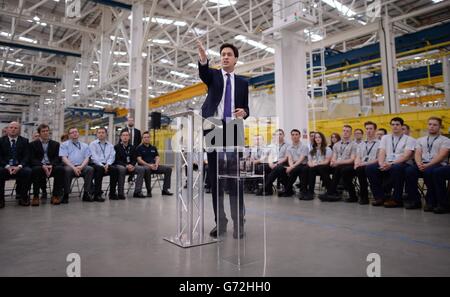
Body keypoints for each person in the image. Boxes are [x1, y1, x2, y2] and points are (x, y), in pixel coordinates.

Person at [197, 40, 249, 239]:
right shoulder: (214, 76)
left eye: (229, 54)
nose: (225, 56)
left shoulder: (243, 83)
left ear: (235, 59)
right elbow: (204, 73)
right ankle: (221, 221)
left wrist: (244, 112)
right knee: (215, 178)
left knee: (235, 178)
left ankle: (239, 221)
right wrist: (203, 58)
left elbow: (246, 108)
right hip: (214, 127)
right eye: (222, 54)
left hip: (234, 128)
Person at [366, 117, 416, 208]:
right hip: (386, 162)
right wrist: (381, 163)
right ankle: (380, 197)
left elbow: (406, 156)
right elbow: (382, 152)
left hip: (403, 163)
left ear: (402, 126)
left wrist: (391, 164)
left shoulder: (409, 139)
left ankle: (396, 199)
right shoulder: (385, 138)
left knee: (396, 168)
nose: (395, 126)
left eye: (397, 124)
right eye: (393, 124)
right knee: (370, 168)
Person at [405, 117, 450, 210]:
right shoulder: (420, 140)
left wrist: (428, 165)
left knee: (429, 171)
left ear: (440, 126)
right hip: (422, 164)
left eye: (434, 125)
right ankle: (415, 200)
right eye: (430, 124)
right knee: (409, 171)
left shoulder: (445, 140)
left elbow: (441, 156)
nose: (431, 127)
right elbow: (417, 153)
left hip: (438, 164)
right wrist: (419, 164)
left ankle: (431, 201)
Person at [320, 125, 358, 202]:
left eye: (347, 131)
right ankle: (331, 190)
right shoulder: (336, 145)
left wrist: (337, 162)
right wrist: (332, 162)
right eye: (344, 130)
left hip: (348, 164)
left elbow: (352, 159)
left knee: (340, 169)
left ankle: (331, 192)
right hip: (338, 164)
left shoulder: (354, 144)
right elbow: (334, 156)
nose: (345, 132)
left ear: (351, 133)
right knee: (322, 167)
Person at [29, 124, 65, 206]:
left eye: (47, 131)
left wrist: (51, 165)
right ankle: (36, 196)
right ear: (39, 133)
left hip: (51, 166)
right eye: (43, 131)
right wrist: (42, 165)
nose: (45, 133)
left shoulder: (55, 144)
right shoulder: (33, 144)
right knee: (36, 170)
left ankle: (55, 195)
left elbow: (57, 158)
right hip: (40, 166)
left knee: (60, 169)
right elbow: (32, 159)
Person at [0, 121, 32, 208]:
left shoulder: (25, 141)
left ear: (19, 130)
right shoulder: (1, 141)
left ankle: (23, 197)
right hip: (5, 167)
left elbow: (27, 156)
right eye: (11, 127)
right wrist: (7, 166)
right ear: (7, 129)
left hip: (19, 167)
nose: (13, 130)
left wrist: (19, 166)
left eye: (15, 128)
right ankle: (0, 199)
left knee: (28, 171)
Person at [59, 127, 94, 203]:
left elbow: (87, 158)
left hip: (81, 166)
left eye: (76, 132)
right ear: (69, 135)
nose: (74, 133)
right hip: (69, 166)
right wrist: (73, 168)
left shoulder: (85, 145)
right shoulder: (64, 145)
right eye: (72, 132)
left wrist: (81, 167)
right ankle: (66, 194)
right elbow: (64, 158)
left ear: (78, 133)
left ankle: (86, 194)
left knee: (89, 169)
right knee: (67, 170)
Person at [136, 131, 173, 197]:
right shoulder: (139, 148)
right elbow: (139, 160)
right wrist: (149, 165)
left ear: (150, 138)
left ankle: (165, 190)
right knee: (147, 169)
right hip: (145, 166)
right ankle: (149, 191)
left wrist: (156, 164)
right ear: (142, 138)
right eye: (145, 137)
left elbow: (157, 157)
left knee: (168, 169)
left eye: (148, 137)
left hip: (154, 166)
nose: (146, 138)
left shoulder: (153, 147)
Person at [110, 130, 145, 200]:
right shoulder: (116, 147)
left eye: (127, 135)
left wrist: (132, 165)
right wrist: (126, 165)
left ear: (129, 137)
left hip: (131, 166)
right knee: (122, 169)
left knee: (141, 169)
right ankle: (120, 193)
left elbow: (134, 159)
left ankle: (137, 192)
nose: (125, 137)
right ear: (121, 137)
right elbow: (116, 160)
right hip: (120, 165)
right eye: (123, 135)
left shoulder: (132, 147)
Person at [256, 129, 289, 196]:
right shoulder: (272, 145)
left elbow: (286, 157)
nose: (278, 136)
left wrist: (277, 164)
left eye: (280, 134)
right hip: (273, 163)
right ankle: (268, 189)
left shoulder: (288, 145)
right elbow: (269, 155)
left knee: (278, 168)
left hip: (283, 163)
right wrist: (270, 163)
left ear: (283, 135)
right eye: (277, 134)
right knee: (262, 167)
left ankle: (264, 188)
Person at [354, 121, 380, 205]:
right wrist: (356, 163)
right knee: (358, 169)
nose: (368, 131)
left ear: (375, 130)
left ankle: (378, 197)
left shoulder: (379, 143)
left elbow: (378, 159)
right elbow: (358, 156)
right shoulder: (361, 144)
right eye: (367, 129)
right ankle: (363, 197)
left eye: (371, 129)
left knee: (368, 169)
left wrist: (364, 164)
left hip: (374, 164)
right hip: (362, 165)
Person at [89, 127, 117, 202]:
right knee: (100, 169)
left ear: (106, 134)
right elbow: (93, 157)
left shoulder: (110, 145)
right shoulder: (93, 144)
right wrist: (102, 165)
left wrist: (108, 164)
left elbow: (112, 156)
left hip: (107, 164)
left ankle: (112, 193)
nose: (101, 134)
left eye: (103, 132)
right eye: (99, 133)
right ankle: (97, 194)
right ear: (97, 134)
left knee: (115, 170)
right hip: (95, 164)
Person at [281, 129, 309, 198]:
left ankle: (288, 190)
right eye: (293, 135)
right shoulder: (289, 147)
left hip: (303, 164)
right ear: (291, 136)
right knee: (281, 170)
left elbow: (301, 159)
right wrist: (291, 166)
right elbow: (290, 159)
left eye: (296, 134)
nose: (294, 136)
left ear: (300, 136)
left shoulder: (304, 146)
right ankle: (291, 190)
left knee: (298, 169)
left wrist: (291, 167)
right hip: (294, 165)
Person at [305, 132, 333, 200]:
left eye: (319, 137)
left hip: (324, 167)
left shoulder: (327, 149)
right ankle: (310, 192)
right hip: (315, 168)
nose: (317, 139)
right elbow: (309, 161)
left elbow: (326, 161)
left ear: (322, 138)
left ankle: (330, 191)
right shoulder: (312, 150)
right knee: (310, 168)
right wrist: (311, 164)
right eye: (316, 137)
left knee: (320, 167)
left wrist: (316, 164)